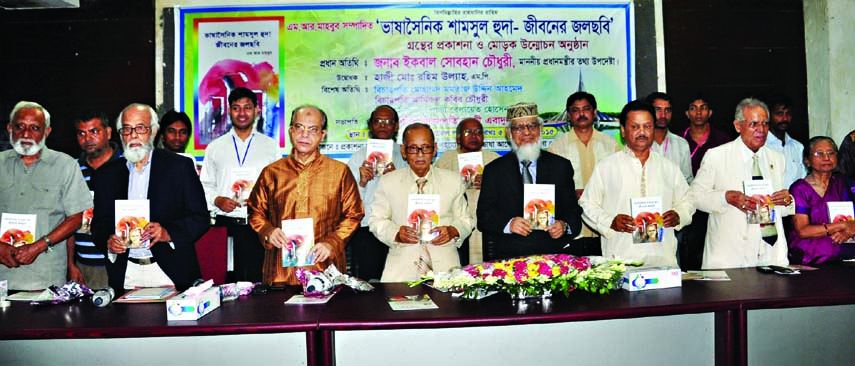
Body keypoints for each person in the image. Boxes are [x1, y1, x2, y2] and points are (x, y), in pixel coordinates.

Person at [90, 103, 209, 293]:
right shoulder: (106, 175)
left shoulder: (180, 167)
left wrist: (167, 233)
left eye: (140, 128)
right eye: (127, 129)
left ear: (153, 132)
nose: (133, 135)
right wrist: (108, 241)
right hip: (126, 272)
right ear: (120, 134)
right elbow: (99, 223)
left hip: (170, 271)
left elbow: (200, 217)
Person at [248, 105, 363, 285]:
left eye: (313, 129)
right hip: (280, 272)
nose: (304, 134)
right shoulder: (272, 172)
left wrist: (332, 243)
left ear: (322, 135)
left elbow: (354, 214)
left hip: (325, 269)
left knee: (328, 313)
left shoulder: (339, 172)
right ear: (290, 130)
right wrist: (267, 231)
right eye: (299, 127)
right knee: (278, 313)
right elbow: (255, 211)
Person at [580, 101, 693, 267]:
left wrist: (679, 215)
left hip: (663, 259)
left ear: (654, 130)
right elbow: (586, 204)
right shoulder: (607, 167)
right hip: (620, 260)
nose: (642, 132)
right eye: (635, 127)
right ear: (623, 131)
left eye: (647, 126)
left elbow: (688, 201)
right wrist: (610, 222)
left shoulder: (669, 167)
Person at [688, 98, 794, 269]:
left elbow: (779, 206)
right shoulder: (717, 156)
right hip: (730, 254)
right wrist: (725, 197)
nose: (761, 130)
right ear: (738, 126)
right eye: (754, 124)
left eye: (765, 124)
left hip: (769, 253)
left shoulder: (777, 158)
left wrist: (787, 200)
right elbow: (695, 196)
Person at [0, 101, 92, 290]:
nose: (26, 134)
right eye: (20, 126)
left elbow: (75, 218)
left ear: (46, 132)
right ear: (10, 128)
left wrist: (38, 246)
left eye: (34, 128)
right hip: (2, 277)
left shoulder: (65, 165)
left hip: (47, 278)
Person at [369, 123, 474, 281]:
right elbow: (375, 221)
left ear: (435, 149)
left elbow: (467, 221)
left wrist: (453, 230)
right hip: (400, 270)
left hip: (446, 269)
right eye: (413, 148)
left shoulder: (453, 180)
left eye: (425, 147)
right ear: (404, 151)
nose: (420, 154)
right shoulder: (388, 181)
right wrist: (396, 233)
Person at [478, 102, 583, 260]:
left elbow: (573, 212)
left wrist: (564, 226)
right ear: (509, 133)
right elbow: (484, 217)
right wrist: (509, 224)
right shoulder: (494, 170)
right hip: (510, 257)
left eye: (531, 126)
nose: (526, 132)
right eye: (519, 128)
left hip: (553, 254)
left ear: (540, 129)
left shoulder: (560, 166)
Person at [200, 87, 280, 282]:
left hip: (259, 227)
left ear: (256, 110)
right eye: (236, 108)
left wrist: (263, 202)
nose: (242, 113)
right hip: (226, 227)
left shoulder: (270, 147)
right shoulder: (215, 147)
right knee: (227, 284)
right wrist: (217, 200)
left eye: (247, 108)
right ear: (229, 111)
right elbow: (204, 185)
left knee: (259, 284)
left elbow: (278, 187)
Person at [547, 92, 619, 255]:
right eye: (575, 110)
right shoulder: (557, 147)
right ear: (569, 115)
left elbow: (621, 181)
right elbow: (551, 187)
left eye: (586, 109)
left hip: (606, 228)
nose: (581, 114)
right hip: (573, 231)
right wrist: (571, 194)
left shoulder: (611, 144)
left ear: (594, 112)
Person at [346, 105, 407, 280]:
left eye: (388, 122)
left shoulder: (405, 156)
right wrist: (362, 182)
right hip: (367, 228)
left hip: (398, 227)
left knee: (397, 281)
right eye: (378, 121)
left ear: (396, 126)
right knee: (369, 281)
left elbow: (414, 195)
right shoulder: (358, 157)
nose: (383, 125)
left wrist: (397, 177)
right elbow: (350, 201)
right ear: (371, 125)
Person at [68, 109, 122, 289]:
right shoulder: (72, 170)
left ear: (108, 132)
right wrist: (70, 264)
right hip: (84, 267)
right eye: (81, 133)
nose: (87, 138)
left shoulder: (127, 166)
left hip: (120, 262)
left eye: (94, 131)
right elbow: (66, 219)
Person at [434, 117, 500, 264]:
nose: (474, 136)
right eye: (468, 132)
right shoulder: (446, 160)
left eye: (478, 132)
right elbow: (435, 191)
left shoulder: (494, 159)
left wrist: (490, 183)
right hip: (456, 223)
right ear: (458, 138)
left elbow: (506, 192)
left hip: (485, 224)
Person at [679, 93, 733, 270]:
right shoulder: (679, 140)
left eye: (703, 108)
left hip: (715, 204)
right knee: (690, 253)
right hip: (688, 204)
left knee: (714, 251)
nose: (698, 112)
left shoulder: (723, 140)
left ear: (710, 112)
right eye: (693, 108)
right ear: (687, 113)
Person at [788, 136, 855, 264]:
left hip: (847, 258)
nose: (826, 158)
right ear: (807, 160)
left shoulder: (846, 184)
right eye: (819, 153)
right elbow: (803, 230)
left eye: (831, 153)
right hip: (810, 260)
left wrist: (853, 228)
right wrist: (842, 225)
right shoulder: (800, 189)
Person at [645, 92, 693, 183]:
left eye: (668, 110)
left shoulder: (681, 144)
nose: (663, 115)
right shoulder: (639, 143)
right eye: (658, 110)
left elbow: (687, 180)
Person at [762, 94, 806, 188]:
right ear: (768, 116)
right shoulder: (761, 146)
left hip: (795, 201)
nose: (785, 118)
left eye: (788, 114)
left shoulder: (798, 147)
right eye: (779, 113)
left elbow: (803, 179)